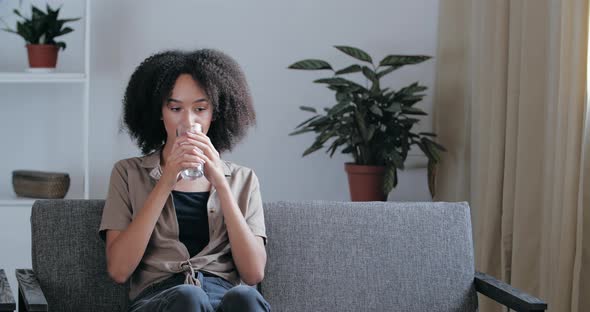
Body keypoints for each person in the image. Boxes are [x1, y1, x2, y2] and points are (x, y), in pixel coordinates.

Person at [98, 49, 271, 312]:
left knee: (245, 298)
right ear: (160, 111)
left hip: (222, 297)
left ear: (214, 113)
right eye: (175, 108)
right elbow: (119, 270)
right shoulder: (127, 173)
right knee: (189, 297)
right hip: (161, 299)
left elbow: (254, 273)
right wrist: (166, 180)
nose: (189, 121)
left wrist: (222, 184)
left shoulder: (243, 179)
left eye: (200, 109)